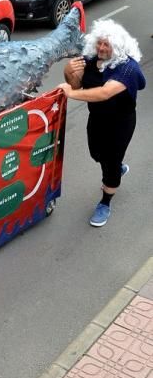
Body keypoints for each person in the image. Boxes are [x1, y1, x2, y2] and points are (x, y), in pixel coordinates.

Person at [59, 19, 145, 228]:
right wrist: (68, 71)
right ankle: (117, 166)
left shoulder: (128, 68)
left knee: (110, 163)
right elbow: (77, 83)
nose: (102, 48)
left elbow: (104, 93)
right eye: (99, 43)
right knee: (96, 153)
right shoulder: (90, 60)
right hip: (96, 118)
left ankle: (105, 203)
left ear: (118, 46)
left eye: (107, 44)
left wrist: (72, 94)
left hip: (120, 124)